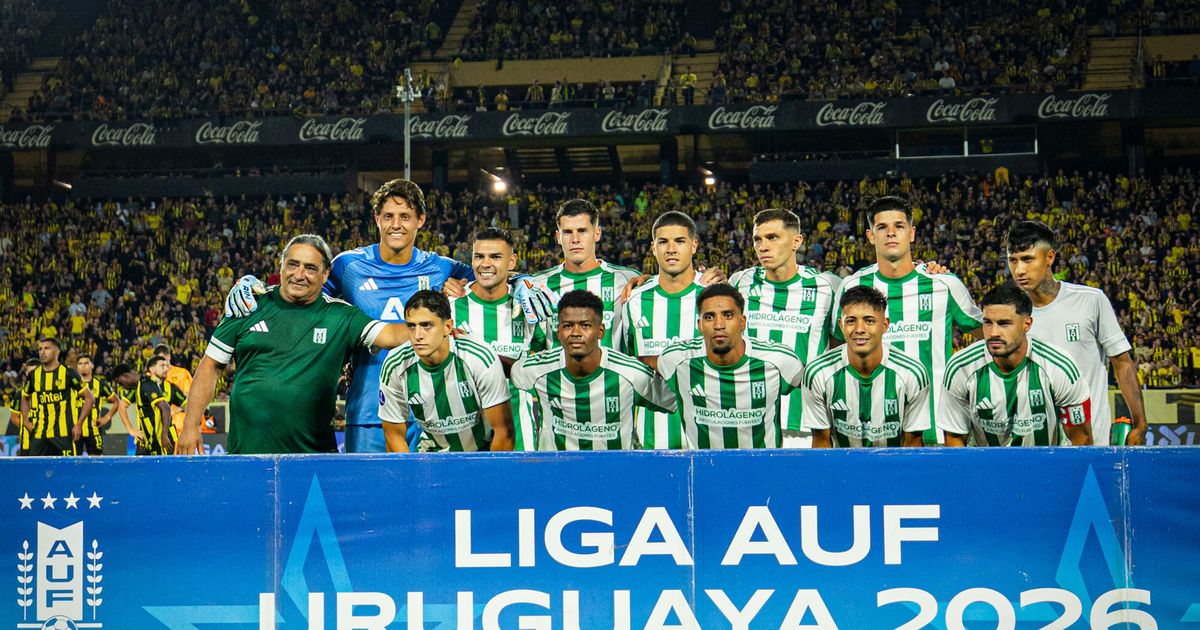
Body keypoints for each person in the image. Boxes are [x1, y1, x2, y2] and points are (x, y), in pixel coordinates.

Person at [225, 179, 554, 453]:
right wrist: (256, 285)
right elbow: (303, 293)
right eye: (388, 216)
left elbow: (490, 273)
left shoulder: (441, 267)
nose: (396, 224)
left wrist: (523, 282)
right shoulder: (347, 266)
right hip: (368, 409)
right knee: (368, 501)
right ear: (377, 219)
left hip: (433, 413)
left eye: (405, 216)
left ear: (420, 220)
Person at [181, 234, 413, 455]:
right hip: (246, 456)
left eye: (310, 268)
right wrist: (191, 425)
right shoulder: (247, 306)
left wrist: (433, 320)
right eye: (293, 264)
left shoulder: (341, 316)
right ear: (281, 266)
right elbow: (210, 365)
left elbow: (392, 335)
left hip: (314, 459)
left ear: (325, 274)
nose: (299, 274)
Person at [831, 196, 982, 445]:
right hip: (869, 430)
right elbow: (836, 348)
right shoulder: (852, 286)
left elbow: (990, 335)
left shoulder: (944, 284)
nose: (891, 233)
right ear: (870, 236)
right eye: (882, 227)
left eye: (899, 226)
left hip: (935, 430)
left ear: (911, 233)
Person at [1005, 220, 1147, 445]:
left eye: (1027, 259)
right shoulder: (1007, 315)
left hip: (1092, 444)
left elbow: (1122, 363)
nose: (1019, 270)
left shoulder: (1090, 301)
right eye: (1013, 260)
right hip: (1036, 449)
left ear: (1049, 257)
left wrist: (1140, 424)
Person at [729, 208, 839, 447]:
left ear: (796, 242)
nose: (763, 246)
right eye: (758, 239)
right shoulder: (739, 282)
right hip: (749, 421)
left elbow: (839, 348)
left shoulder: (827, 286)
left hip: (806, 423)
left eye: (772, 237)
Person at [512, 290, 676, 450]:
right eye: (568, 325)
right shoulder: (537, 369)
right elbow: (506, 368)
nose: (576, 333)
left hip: (617, 468)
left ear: (600, 331)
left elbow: (677, 400)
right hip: (555, 467)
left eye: (585, 325)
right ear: (559, 332)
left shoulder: (631, 374)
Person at [942, 284, 1093, 447]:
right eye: (988, 323)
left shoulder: (1059, 368)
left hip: (1045, 462)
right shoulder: (961, 368)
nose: (993, 333)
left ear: (1027, 324)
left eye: (1004, 323)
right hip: (985, 463)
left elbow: (1082, 439)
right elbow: (954, 438)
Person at [657, 283, 804, 449]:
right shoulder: (677, 360)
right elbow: (648, 363)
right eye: (709, 317)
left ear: (742, 322)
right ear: (700, 325)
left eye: (728, 315)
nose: (719, 325)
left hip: (763, 464)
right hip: (703, 465)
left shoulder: (778, 360)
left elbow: (814, 383)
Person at [450, 227, 547, 450]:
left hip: (519, 434)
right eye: (479, 256)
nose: (485, 264)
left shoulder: (530, 307)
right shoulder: (451, 307)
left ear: (511, 262)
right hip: (465, 435)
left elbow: (548, 359)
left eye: (495, 257)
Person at [379, 291, 514, 452]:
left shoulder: (478, 357)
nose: (417, 335)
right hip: (432, 456)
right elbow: (393, 435)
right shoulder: (395, 364)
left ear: (447, 327)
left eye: (426, 325)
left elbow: (504, 432)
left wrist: (484, 468)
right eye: (411, 326)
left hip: (482, 453)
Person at [614, 211, 705, 449]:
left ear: (694, 246)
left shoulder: (711, 297)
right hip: (649, 439)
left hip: (706, 436)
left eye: (680, 241)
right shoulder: (634, 301)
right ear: (653, 248)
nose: (671, 249)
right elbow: (629, 363)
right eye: (663, 242)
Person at [803, 286, 930, 448]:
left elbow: (913, 445)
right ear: (841, 325)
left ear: (885, 325)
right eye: (851, 321)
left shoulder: (912, 373)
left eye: (869, 321)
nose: (859, 329)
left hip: (894, 463)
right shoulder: (818, 373)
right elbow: (821, 443)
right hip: (842, 463)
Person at [531, 199, 642, 351]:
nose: (575, 239)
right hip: (557, 367)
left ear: (597, 233)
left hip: (610, 367)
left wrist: (648, 280)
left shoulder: (626, 279)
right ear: (558, 237)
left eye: (582, 231)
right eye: (567, 232)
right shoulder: (539, 284)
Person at [21, 338, 95, 456]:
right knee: (36, 467)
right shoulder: (34, 375)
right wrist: (25, 421)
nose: (42, 352)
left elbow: (90, 398)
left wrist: (79, 424)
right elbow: (25, 397)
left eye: (47, 348)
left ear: (57, 351)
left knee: (67, 467)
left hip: (64, 435)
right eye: (40, 349)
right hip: (39, 435)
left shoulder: (68, 373)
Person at [112, 357, 183, 455]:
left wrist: (164, 435)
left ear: (126, 376)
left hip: (160, 440)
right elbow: (122, 405)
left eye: (121, 383)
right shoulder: (138, 386)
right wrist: (131, 430)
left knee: (162, 464)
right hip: (148, 440)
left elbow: (165, 408)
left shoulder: (147, 384)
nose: (122, 386)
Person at [74, 354, 132, 456]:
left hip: (94, 430)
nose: (83, 366)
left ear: (92, 365)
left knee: (96, 461)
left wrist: (106, 417)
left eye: (86, 363)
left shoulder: (100, 383)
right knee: (73, 461)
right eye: (80, 364)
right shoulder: (72, 383)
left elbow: (116, 401)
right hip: (74, 429)